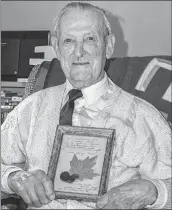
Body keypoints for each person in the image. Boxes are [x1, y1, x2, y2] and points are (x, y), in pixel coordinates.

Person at [1, 2, 171, 209]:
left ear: (108, 45)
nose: (78, 52)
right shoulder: (29, 109)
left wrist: (154, 192)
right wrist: (13, 178)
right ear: (56, 47)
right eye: (69, 41)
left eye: (90, 39)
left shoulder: (144, 117)